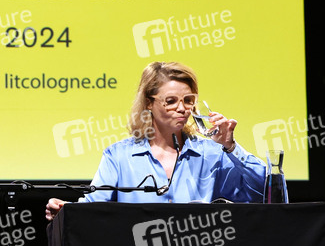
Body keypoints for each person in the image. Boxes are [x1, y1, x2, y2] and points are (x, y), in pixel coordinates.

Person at [46, 61, 265, 219]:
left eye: (188, 100)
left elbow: (265, 192)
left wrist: (231, 147)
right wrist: (65, 209)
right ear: (149, 103)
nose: (182, 108)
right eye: (171, 101)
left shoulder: (213, 153)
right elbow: (93, 207)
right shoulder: (119, 156)